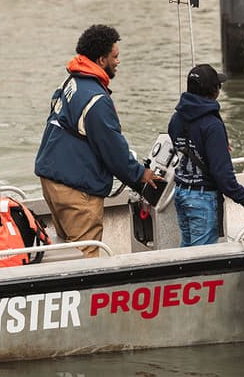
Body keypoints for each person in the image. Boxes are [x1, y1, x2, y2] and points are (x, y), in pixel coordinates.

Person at [35, 24, 162, 258]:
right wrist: (140, 174)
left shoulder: (72, 82)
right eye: (115, 56)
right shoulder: (96, 99)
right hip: (75, 189)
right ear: (101, 59)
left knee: (68, 250)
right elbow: (112, 148)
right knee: (85, 256)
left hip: (52, 179)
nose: (118, 61)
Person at [167, 63, 244, 246]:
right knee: (200, 260)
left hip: (181, 192)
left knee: (187, 251)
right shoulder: (212, 125)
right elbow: (222, 174)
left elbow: (181, 145)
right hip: (202, 199)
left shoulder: (176, 118)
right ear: (214, 91)